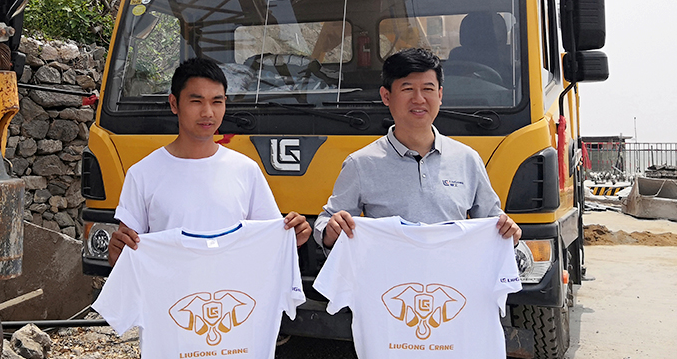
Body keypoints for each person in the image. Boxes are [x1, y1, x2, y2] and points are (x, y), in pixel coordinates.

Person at [109, 57, 311, 266]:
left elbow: (268, 242)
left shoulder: (246, 170)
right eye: (196, 101)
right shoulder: (142, 174)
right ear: (174, 104)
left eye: (217, 102)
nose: (208, 113)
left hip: (231, 287)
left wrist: (292, 237)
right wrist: (117, 254)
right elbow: (127, 254)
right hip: (168, 288)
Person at [313, 47, 520, 250]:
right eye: (408, 89)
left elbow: (492, 221)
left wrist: (508, 232)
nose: (419, 99)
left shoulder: (467, 159)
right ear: (386, 96)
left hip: (451, 272)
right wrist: (331, 230)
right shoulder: (361, 163)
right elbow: (326, 222)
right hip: (389, 272)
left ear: (440, 95)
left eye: (428, 89)